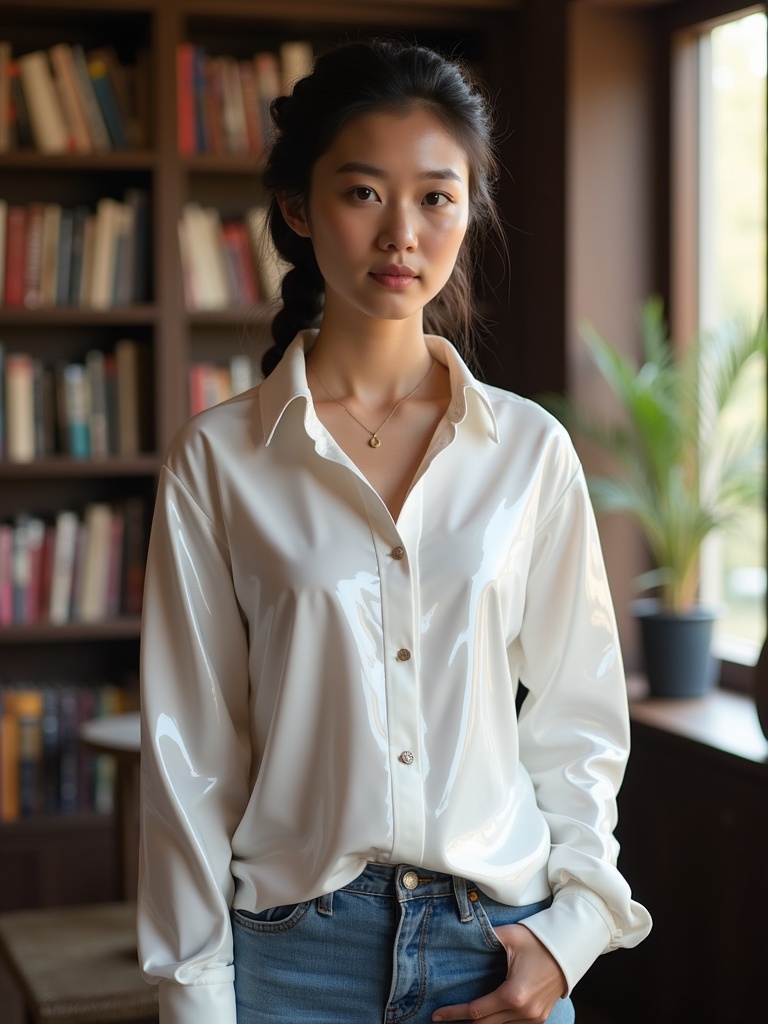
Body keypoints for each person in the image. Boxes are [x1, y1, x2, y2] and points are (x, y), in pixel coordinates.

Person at [137, 37, 652, 1024]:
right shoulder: (218, 460)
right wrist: (196, 999)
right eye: (364, 192)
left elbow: (577, 719)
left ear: (469, 210)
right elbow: (189, 755)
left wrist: (571, 937)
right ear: (298, 207)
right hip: (288, 965)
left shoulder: (529, 452)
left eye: (436, 196)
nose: (401, 233)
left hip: (498, 952)